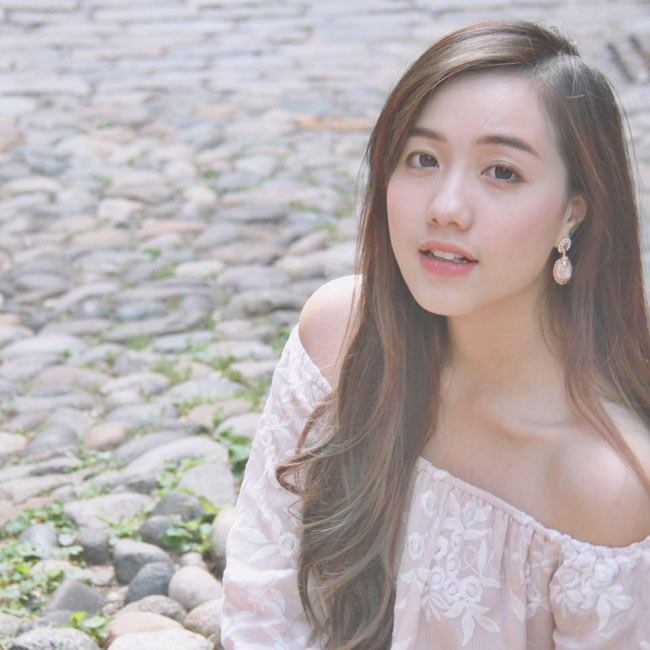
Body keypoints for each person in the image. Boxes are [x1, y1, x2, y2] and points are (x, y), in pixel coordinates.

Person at [220, 18, 650, 650]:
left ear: (572, 213)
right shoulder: (338, 339)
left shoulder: (602, 484)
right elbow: (262, 604)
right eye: (422, 159)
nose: (446, 207)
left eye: (501, 171)